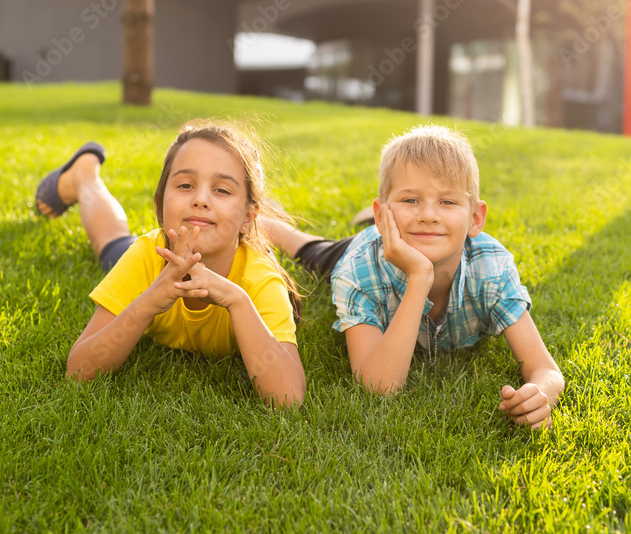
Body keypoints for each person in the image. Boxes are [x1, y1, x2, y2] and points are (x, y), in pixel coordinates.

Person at [261, 124, 563, 428]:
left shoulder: (491, 269)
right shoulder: (358, 269)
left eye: (447, 202)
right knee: (310, 251)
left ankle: (388, 208)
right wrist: (420, 277)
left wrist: (540, 395)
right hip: (365, 250)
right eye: (411, 200)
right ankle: (267, 220)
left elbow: (546, 371)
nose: (428, 215)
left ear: (475, 219)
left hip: (400, 233)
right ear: (383, 217)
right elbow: (378, 388)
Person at [34, 119, 306, 407]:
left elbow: (287, 399)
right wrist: (148, 302)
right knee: (112, 245)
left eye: (222, 190)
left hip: (247, 245)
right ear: (160, 204)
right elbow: (79, 371)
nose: (200, 199)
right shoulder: (146, 257)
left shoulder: (259, 279)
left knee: (246, 231)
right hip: (161, 253)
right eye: (186, 185)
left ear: (250, 216)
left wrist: (237, 300)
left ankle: (255, 216)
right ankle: (84, 177)